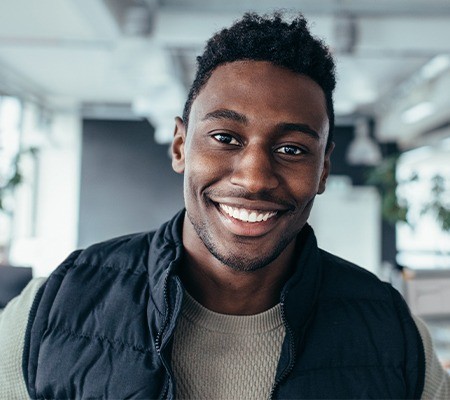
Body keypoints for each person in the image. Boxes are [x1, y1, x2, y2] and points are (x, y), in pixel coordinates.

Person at [1, 12, 449, 400]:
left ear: (324, 168)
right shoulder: (53, 306)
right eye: (225, 138)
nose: (254, 178)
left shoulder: (393, 333)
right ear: (180, 146)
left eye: (292, 149)